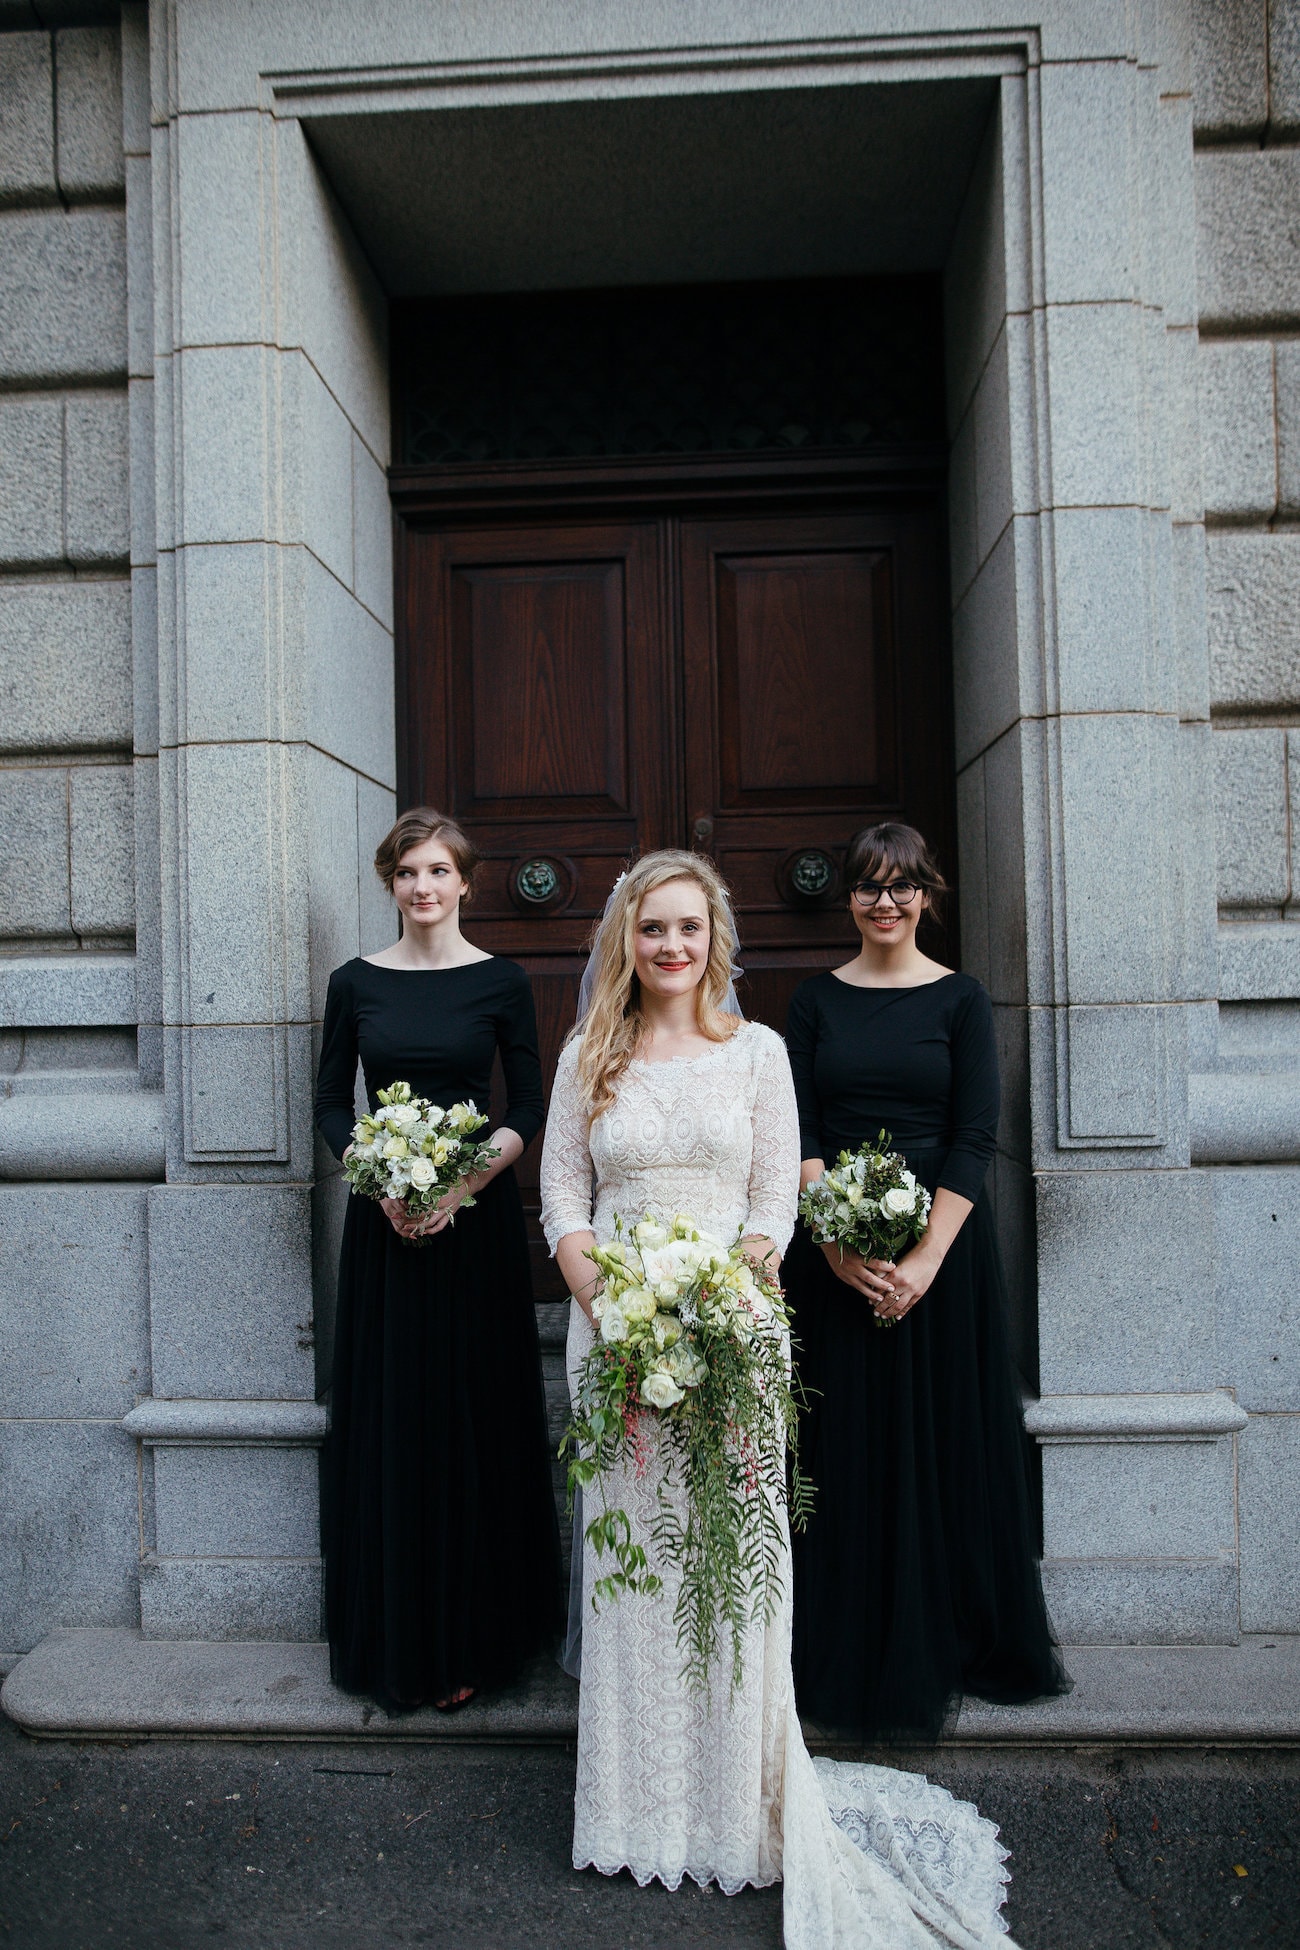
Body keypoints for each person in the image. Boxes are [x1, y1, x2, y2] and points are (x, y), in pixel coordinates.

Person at [539, 848, 1019, 1949]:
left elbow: (773, 1196)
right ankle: (634, 1811)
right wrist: (598, 1288)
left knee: (733, 1569)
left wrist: (719, 1287)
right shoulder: (589, 1054)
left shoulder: (756, 1052)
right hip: (616, 1333)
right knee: (638, 1568)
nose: (670, 947)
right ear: (627, 941)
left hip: (732, 1325)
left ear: (715, 943)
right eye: (652, 930)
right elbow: (564, 1183)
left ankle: (737, 1815)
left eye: (688, 930)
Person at [785, 821, 1067, 1742]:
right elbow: (803, 1133)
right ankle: (847, 1645)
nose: (885, 902)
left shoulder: (962, 1000)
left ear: (926, 895)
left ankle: (946, 1637)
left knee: (940, 1448)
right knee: (848, 1449)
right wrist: (834, 1248)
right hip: (835, 1262)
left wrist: (923, 1263)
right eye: (868, 885)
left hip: (937, 1260)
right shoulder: (815, 1002)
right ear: (851, 900)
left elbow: (974, 1137)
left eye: (902, 886)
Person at [315, 807, 561, 1713]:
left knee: (472, 1415)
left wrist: (460, 1186)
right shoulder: (356, 982)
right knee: (397, 1419)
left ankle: (475, 1637)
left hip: (474, 1227)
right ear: (391, 883)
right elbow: (333, 1103)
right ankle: (398, 1635)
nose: (423, 888)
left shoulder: (501, 982)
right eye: (407, 873)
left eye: (438, 872)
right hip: (386, 1230)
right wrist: (377, 1177)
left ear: (466, 882)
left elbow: (529, 1104)